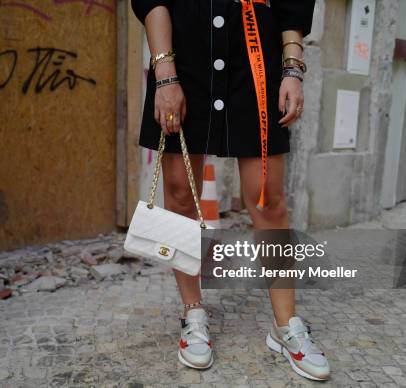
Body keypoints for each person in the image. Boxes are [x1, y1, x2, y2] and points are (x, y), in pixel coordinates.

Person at [130, 0, 330, 381]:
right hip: (182, 52)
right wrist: (164, 73)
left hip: (254, 52)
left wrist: (291, 69)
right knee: (179, 192)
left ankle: (286, 326)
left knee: (268, 198)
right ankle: (193, 313)